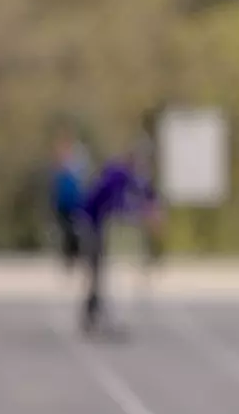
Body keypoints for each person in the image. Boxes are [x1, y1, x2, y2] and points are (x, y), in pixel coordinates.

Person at [76, 137, 161, 335]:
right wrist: (144, 212)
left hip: (105, 227)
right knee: (97, 272)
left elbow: (148, 194)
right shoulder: (116, 174)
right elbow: (118, 204)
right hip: (92, 224)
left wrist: (153, 210)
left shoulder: (135, 176)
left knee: (100, 273)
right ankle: (95, 315)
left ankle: (96, 315)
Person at [50, 128, 89, 270]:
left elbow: (81, 184)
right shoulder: (60, 168)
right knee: (66, 231)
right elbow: (56, 187)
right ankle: (69, 256)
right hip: (63, 205)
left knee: (73, 231)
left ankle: (74, 255)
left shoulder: (76, 166)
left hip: (74, 204)